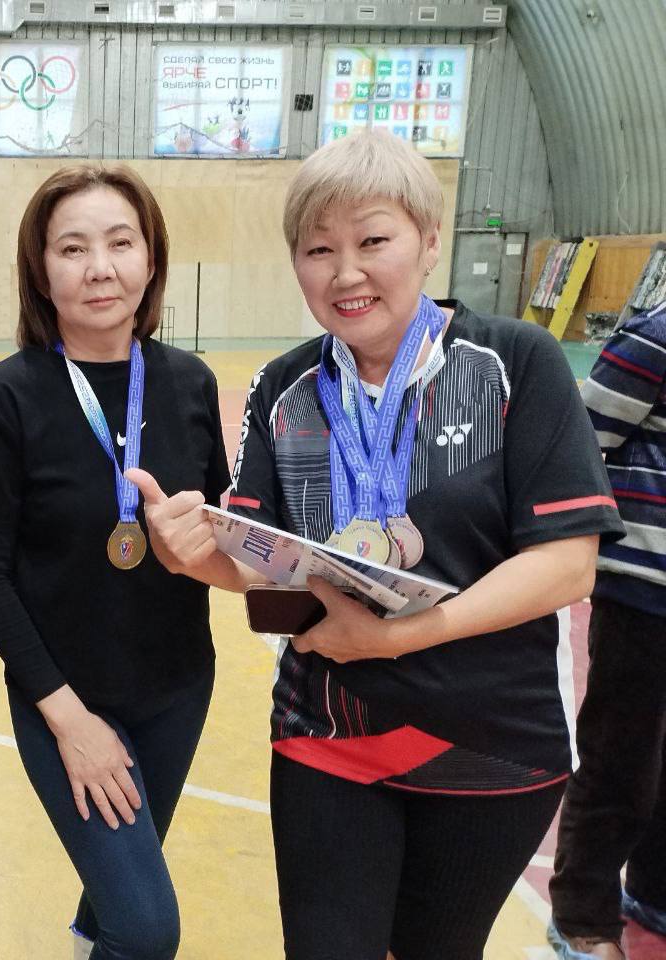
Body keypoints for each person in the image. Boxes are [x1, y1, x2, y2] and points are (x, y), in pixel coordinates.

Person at [134, 129, 623, 960]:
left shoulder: (515, 364)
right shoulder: (285, 389)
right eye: (318, 249)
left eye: (373, 241)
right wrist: (194, 553)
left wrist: (404, 634)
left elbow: (567, 563)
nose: (345, 272)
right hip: (328, 733)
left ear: (429, 242)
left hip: (492, 740)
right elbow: (260, 559)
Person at [0, 164, 228, 960]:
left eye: (120, 243)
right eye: (72, 248)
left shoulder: (190, 383)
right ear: (41, 271)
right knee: (145, 929)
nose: (100, 268)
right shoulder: (6, 397)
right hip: (63, 699)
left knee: (111, 899)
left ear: (152, 258)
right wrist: (70, 721)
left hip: (178, 689)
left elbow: (224, 532)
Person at [548, 300, 666, 960]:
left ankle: (654, 893)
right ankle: (581, 916)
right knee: (621, 758)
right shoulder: (657, 335)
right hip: (645, 591)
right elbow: (581, 437)